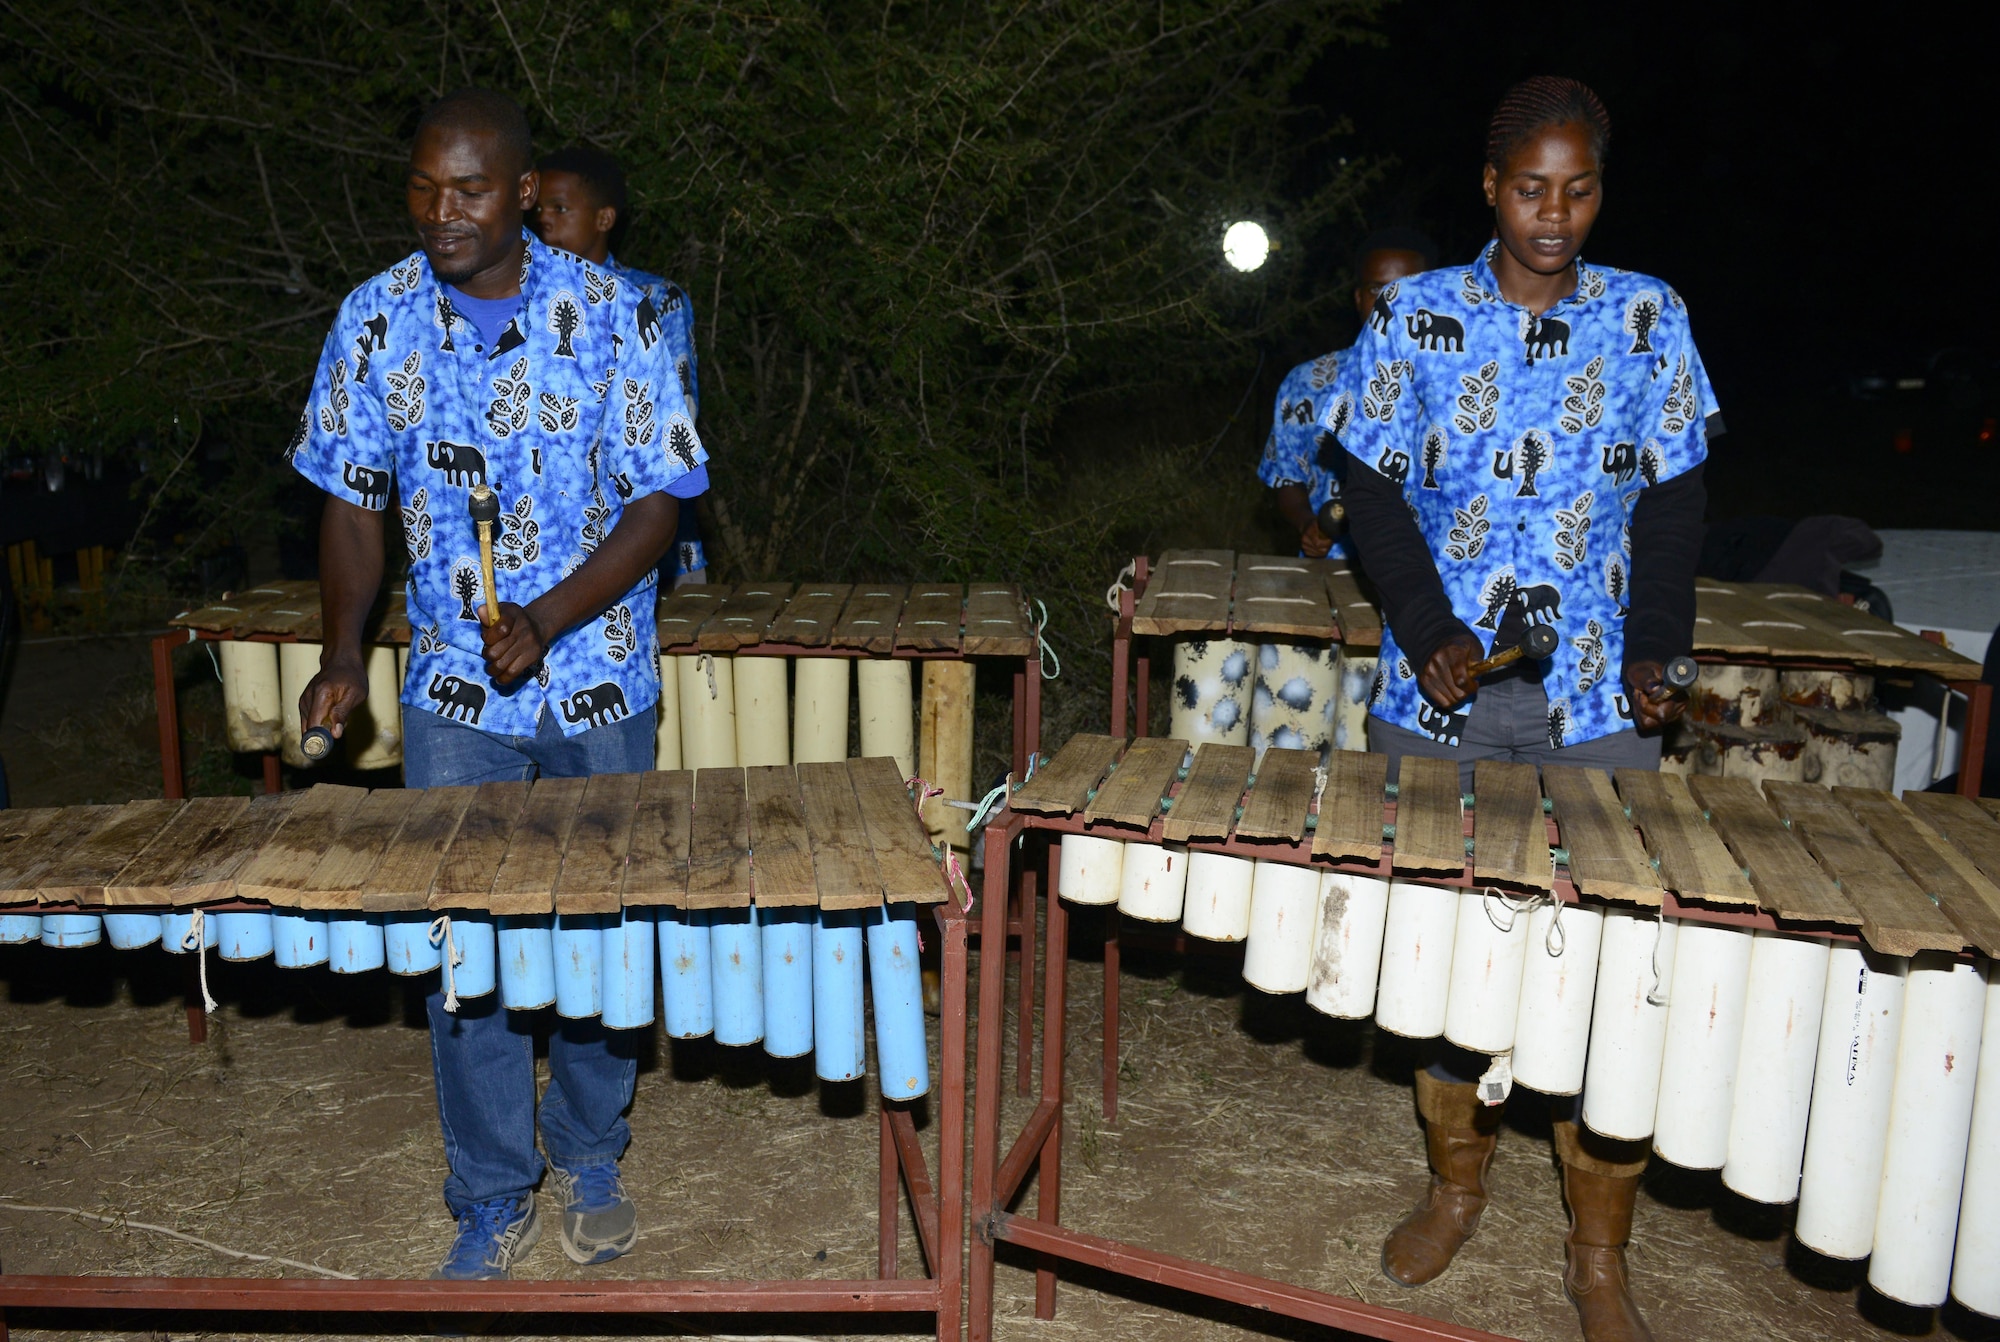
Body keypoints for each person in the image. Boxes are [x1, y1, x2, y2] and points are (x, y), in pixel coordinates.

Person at [291, 88, 706, 1281]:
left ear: (524, 192)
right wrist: (339, 652)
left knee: (596, 930)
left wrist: (551, 615)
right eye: (422, 188)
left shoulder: (616, 315)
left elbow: (663, 497)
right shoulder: (375, 321)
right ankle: (486, 1188)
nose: (440, 213)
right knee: (464, 944)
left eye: (467, 190)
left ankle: (589, 1152)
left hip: (598, 679)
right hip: (453, 701)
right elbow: (351, 502)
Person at [1331, 77, 1716, 1342]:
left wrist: (1657, 646)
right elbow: (1372, 493)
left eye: (1579, 188)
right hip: (1434, 701)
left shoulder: (1648, 318)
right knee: (1451, 966)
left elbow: (1671, 502)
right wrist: (1430, 632)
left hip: (1598, 701)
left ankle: (1597, 1250)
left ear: (1599, 191)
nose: (1554, 213)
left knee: (1606, 977)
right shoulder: (1414, 315)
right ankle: (1453, 1188)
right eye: (1529, 187)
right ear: (1488, 189)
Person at [533, 144, 710, 586]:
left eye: (560, 207)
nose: (545, 220)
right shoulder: (525, 301)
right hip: (547, 549)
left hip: (656, 546)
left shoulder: (653, 299)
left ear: (604, 219)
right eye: (539, 209)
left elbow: (676, 419)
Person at [1258, 227, 1437, 559]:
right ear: (1358, 298)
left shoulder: (1461, 388)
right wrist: (1306, 524)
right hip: (1330, 577)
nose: (1390, 304)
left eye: (1407, 290)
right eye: (1376, 289)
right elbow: (1286, 476)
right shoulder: (1307, 382)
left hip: (1430, 584)